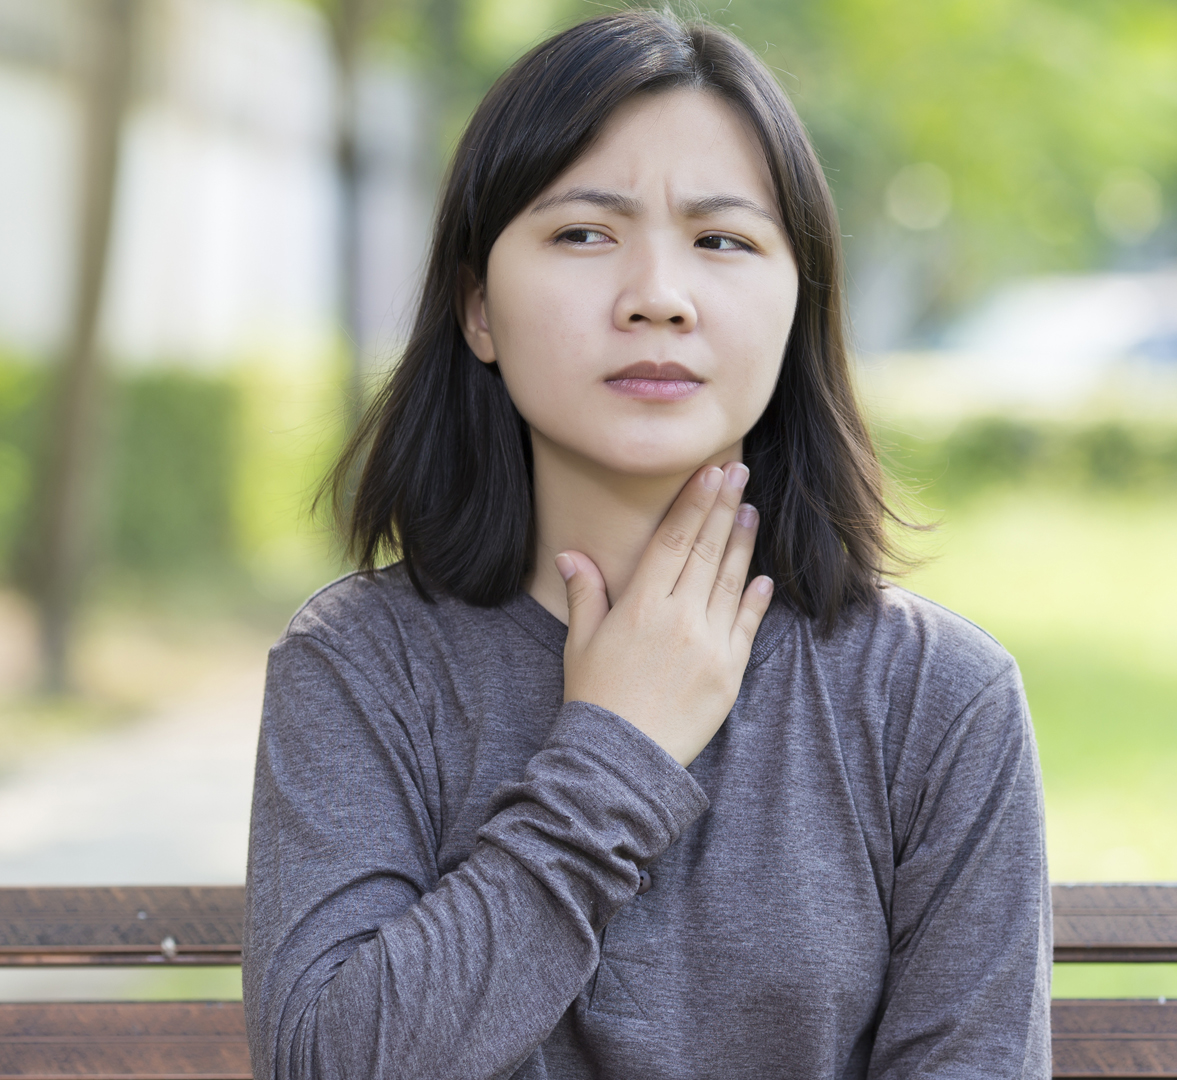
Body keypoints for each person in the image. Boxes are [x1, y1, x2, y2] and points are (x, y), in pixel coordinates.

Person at [243, 10, 1051, 1079]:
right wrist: (614, 751)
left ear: (798, 304)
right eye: (585, 232)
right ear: (478, 306)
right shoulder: (361, 667)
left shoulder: (935, 700)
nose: (658, 299)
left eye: (723, 241)